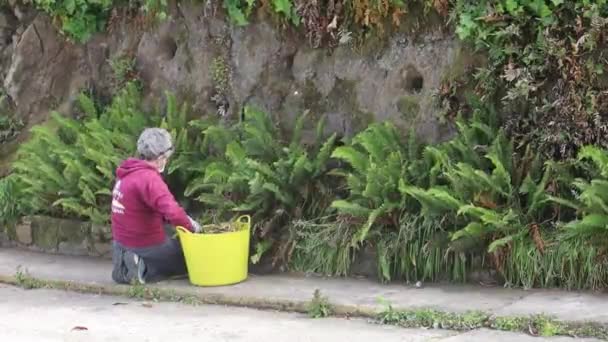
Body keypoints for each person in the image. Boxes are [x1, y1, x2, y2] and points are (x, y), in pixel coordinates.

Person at [110, 127, 201, 284]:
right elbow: (173, 212)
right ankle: (143, 268)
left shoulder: (127, 173)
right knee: (191, 258)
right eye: (166, 157)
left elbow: (143, 210)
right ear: (160, 157)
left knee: (169, 239)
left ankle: (125, 263)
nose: (166, 160)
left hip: (121, 243)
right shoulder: (149, 179)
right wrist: (192, 227)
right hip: (144, 244)